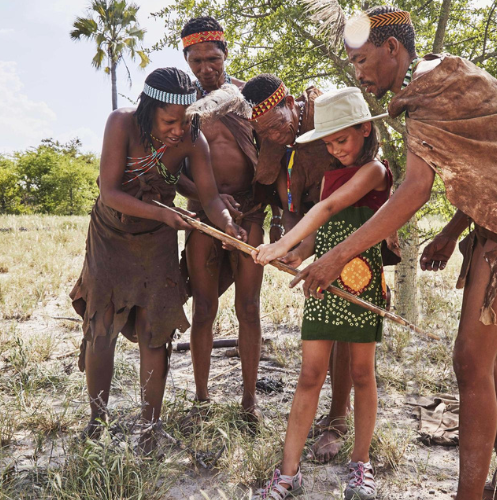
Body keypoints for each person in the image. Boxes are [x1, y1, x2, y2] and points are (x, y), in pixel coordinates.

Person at [292, 6, 497, 499]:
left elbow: (412, 190)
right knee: (481, 359)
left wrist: (337, 256)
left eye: (364, 60)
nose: (359, 73)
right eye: (353, 64)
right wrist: (453, 230)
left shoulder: (431, 86)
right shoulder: (429, 83)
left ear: (393, 49)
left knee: (471, 361)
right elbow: (486, 161)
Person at [70, 67, 246, 454]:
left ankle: (151, 426)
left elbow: (212, 198)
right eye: (171, 121)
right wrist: (165, 214)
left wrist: (230, 226)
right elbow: (111, 192)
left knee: (156, 330)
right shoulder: (121, 124)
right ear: (149, 111)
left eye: (186, 120)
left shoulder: (193, 139)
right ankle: (97, 420)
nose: (179, 129)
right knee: (102, 327)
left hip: (157, 244)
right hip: (110, 238)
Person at [252, 87, 391, 500]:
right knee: (310, 374)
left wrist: (279, 242)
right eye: (328, 143)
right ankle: (287, 474)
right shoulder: (330, 175)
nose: (336, 149)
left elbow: (327, 210)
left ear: (365, 130)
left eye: (342, 140)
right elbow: (320, 232)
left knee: (363, 374)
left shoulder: (376, 172)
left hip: (363, 281)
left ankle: (360, 465)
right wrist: (295, 253)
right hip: (322, 283)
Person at [242, 74, 353, 462]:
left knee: (344, 329)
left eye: (276, 125)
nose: (272, 136)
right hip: (311, 236)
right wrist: (293, 247)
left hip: (352, 233)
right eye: (263, 132)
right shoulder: (275, 140)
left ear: (290, 102)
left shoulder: (328, 118)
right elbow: (289, 201)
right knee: (325, 326)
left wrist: (313, 245)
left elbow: (347, 193)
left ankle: (339, 418)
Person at [175, 15, 267, 429]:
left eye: (212, 58)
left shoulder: (250, 98)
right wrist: (206, 199)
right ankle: (201, 398)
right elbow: (172, 172)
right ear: (186, 60)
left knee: (249, 307)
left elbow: (274, 155)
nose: (206, 68)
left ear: (225, 53)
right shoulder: (182, 109)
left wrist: (267, 211)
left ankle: (249, 403)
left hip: (249, 215)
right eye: (196, 62)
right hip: (203, 220)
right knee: (204, 308)